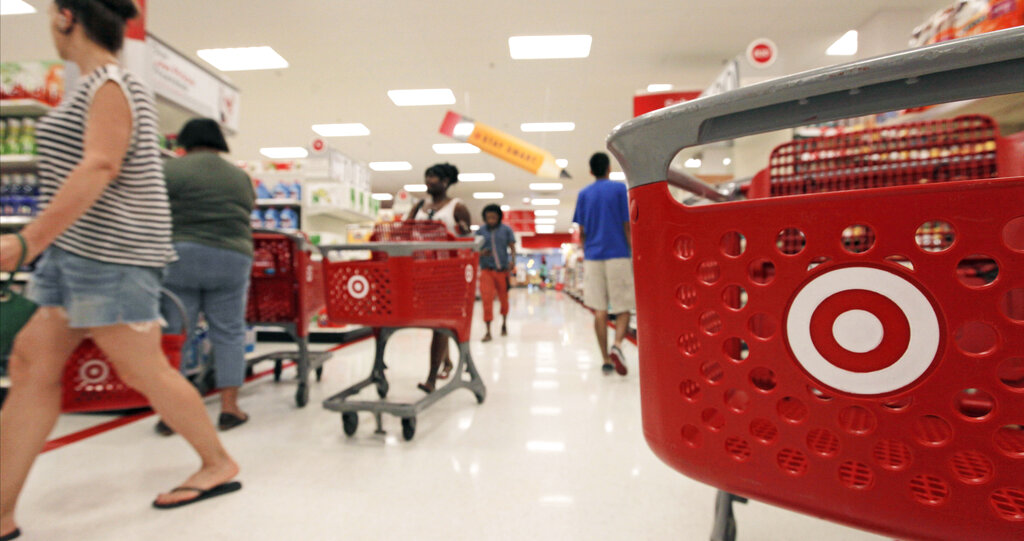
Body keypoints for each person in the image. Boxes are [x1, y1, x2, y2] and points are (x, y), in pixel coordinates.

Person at [0, 3, 240, 537]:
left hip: (112, 252)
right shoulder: (94, 85)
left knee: (143, 368)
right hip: (75, 253)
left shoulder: (110, 82)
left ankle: (217, 463)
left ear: (67, 17)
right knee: (31, 364)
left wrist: (26, 240)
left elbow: (101, 164)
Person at [154, 118, 255, 435]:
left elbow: (154, 209)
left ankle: (173, 414)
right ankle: (229, 408)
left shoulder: (171, 170)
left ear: (185, 140)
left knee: (177, 333)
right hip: (230, 258)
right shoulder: (240, 177)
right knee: (228, 332)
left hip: (181, 256)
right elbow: (247, 210)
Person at [407, 163, 471, 393]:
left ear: (445, 181)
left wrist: (464, 231)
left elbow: (467, 241)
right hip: (423, 273)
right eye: (427, 175)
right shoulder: (419, 207)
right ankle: (448, 361)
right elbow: (405, 233)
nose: (428, 181)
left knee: (440, 325)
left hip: (449, 275)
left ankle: (431, 378)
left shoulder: (457, 207)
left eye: (433, 177)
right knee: (438, 324)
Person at [571, 152, 635, 376]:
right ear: (609, 168)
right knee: (623, 307)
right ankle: (616, 344)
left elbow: (582, 232)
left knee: (600, 310)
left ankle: (605, 359)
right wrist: (633, 251)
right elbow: (627, 225)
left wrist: (588, 251)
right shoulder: (619, 190)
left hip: (593, 257)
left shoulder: (584, 194)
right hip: (618, 254)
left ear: (590, 171)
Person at [476, 204, 516, 342]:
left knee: (504, 300)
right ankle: (488, 331)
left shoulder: (506, 230)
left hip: (502, 271)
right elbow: (474, 249)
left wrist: (513, 261)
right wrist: (481, 253)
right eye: (488, 217)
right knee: (486, 300)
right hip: (487, 271)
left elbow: (512, 247)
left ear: (499, 217)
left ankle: (504, 324)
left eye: (494, 217)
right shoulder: (480, 231)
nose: (491, 220)